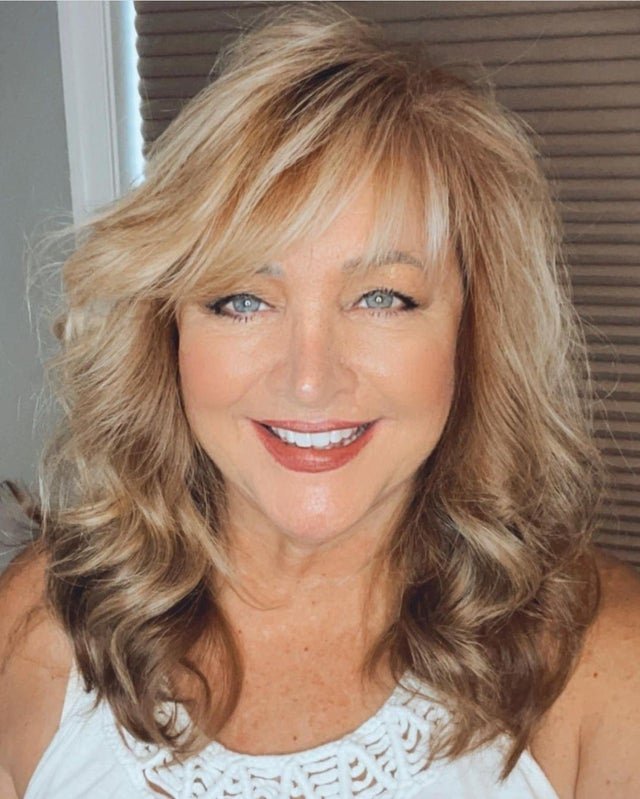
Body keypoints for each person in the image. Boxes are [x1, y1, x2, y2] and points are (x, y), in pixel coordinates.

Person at [1, 5, 639, 798]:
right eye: (242, 299)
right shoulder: (35, 630)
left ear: (473, 332)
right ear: (166, 331)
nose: (310, 379)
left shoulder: (606, 675)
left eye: (382, 298)